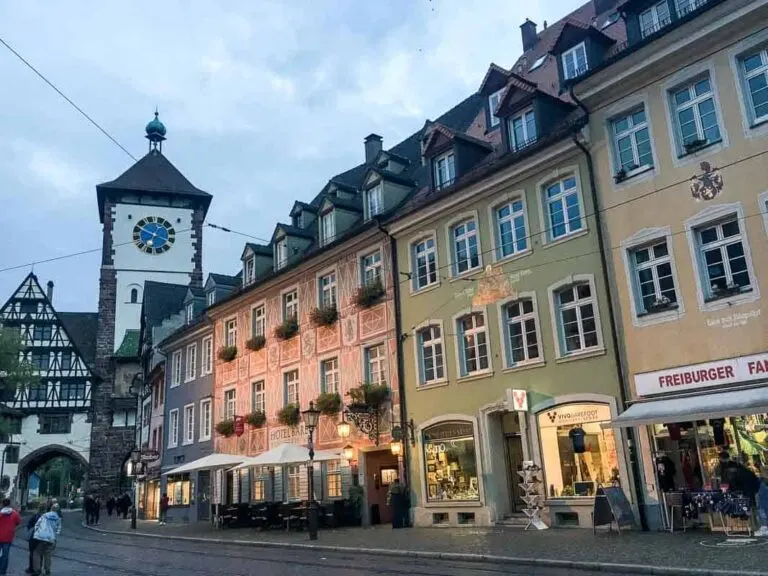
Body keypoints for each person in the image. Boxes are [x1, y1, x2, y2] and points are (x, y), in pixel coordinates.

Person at [719, 451, 768, 536]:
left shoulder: (731, 470)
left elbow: (743, 485)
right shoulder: (735, 467)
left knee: (761, 508)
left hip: (757, 487)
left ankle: (765, 527)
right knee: (761, 507)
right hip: (757, 485)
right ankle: (764, 527)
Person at [32, 502, 61, 576]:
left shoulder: (44, 515)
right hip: (51, 538)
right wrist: (54, 537)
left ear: (51, 508)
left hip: (41, 537)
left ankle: (37, 570)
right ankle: (47, 570)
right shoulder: (58, 518)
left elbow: (37, 524)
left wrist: (37, 532)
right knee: (48, 555)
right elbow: (58, 530)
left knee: (37, 553)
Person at [0, 498, 21, 575]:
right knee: (5, 555)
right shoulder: (15, 514)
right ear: (9, 504)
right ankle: (2, 572)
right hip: (8, 537)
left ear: (2, 504)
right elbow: (18, 522)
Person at [25, 503, 45, 575]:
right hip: (43, 538)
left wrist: (30, 529)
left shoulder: (36, 516)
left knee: (32, 553)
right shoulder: (46, 516)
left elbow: (29, 524)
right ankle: (38, 568)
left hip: (34, 537)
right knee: (40, 554)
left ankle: (32, 568)